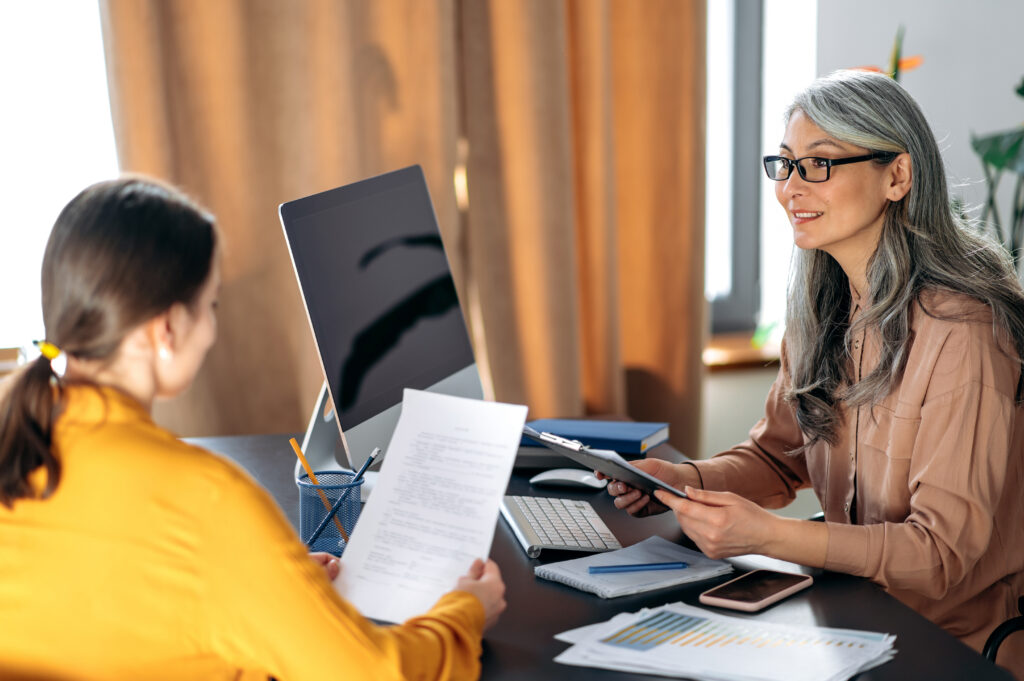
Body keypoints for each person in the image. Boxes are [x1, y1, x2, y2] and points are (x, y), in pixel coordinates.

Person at [0, 177, 505, 681]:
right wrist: (465, 611)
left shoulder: (17, 440)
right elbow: (377, 674)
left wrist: (273, 586)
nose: (213, 330)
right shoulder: (206, 502)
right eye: (211, 305)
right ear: (168, 329)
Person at [607, 70, 1024, 677]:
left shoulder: (964, 333)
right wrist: (683, 478)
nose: (791, 188)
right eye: (786, 164)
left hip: (950, 644)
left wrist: (769, 537)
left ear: (897, 176)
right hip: (847, 615)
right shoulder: (823, 308)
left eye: (820, 164)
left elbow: (940, 554)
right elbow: (779, 457)